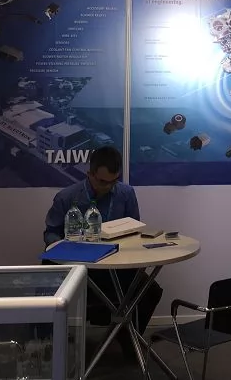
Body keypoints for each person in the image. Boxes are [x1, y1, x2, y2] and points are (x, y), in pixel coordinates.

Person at [43, 146, 162, 362]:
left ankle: (127, 337)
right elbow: (50, 233)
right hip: (78, 267)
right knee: (49, 288)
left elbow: (134, 229)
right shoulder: (67, 197)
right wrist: (62, 248)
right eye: (102, 181)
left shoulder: (126, 194)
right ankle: (49, 343)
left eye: (113, 181)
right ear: (90, 174)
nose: (108, 187)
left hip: (115, 266)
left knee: (150, 291)